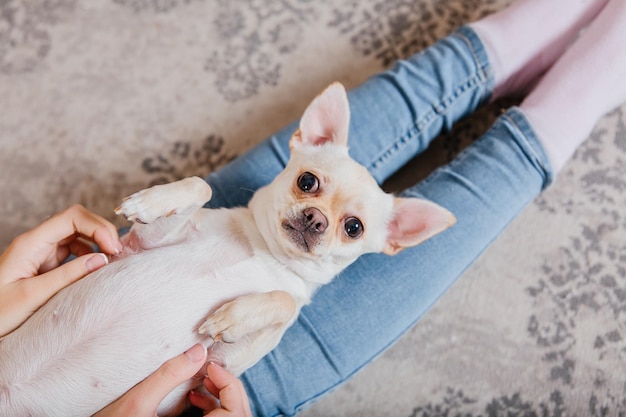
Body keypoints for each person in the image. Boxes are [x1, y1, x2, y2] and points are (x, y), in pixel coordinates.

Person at [1, 0, 624, 415]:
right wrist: (275, 310)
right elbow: (220, 360)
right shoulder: (288, 296)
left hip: (213, 235)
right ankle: (578, 88)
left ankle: (510, 47)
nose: (318, 215)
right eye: (310, 193)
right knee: (484, 187)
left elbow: (142, 238)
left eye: (346, 224)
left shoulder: (239, 205)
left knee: (347, 152)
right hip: (214, 384)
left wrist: (189, 192)